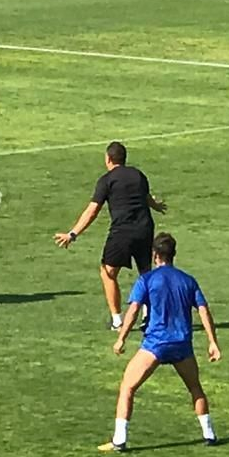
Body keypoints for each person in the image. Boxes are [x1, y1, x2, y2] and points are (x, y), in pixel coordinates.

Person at [99, 232, 219, 453]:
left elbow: (134, 310)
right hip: (182, 344)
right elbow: (203, 310)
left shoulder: (147, 280)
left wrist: (121, 338)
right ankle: (209, 434)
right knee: (195, 388)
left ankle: (119, 439)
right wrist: (213, 342)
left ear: (155, 255)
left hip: (155, 344)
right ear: (173, 254)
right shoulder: (188, 280)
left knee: (127, 387)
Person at [54, 141, 167, 330]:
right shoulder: (138, 175)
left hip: (122, 232)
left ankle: (117, 321)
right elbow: (146, 197)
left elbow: (92, 211)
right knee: (146, 273)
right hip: (145, 228)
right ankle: (149, 316)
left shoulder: (107, 180)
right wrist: (156, 206)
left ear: (108, 159)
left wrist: (72, 234)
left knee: (108, 272)